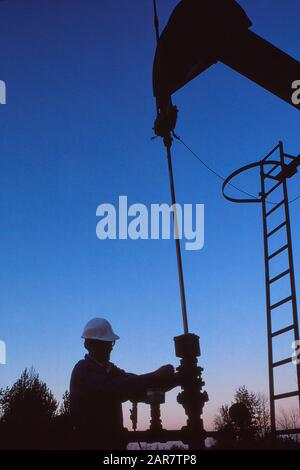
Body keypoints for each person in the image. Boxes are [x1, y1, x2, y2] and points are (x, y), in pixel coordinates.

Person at [70, 318, 177, 449]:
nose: (110, 348)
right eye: (106, 343)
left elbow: (136, 385)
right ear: (90, 345)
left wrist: (174, 380)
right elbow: (116, 389)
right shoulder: (83, 370)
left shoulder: (111, 370)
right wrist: (155, 375)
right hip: (90, 444)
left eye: (111, 343)